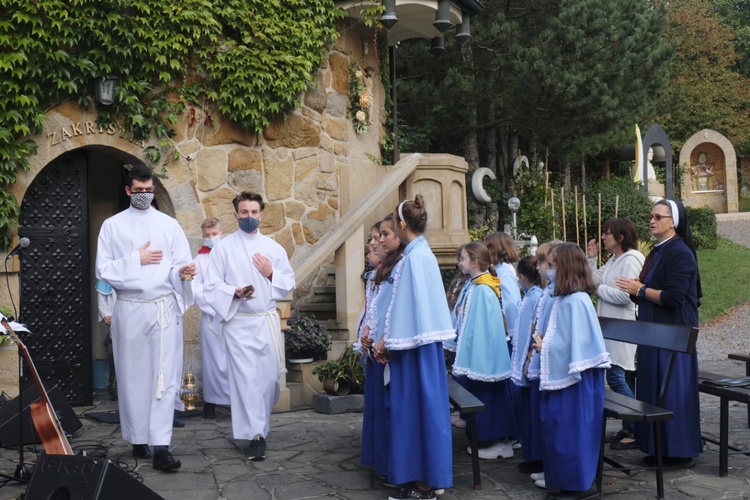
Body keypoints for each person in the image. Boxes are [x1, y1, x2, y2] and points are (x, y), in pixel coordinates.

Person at [96, 164, 196, 471]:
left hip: (163, 308)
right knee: (132, 376)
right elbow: (104, 271)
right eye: (138, 191)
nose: (144, 196)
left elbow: (180, 262)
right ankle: (139, 438)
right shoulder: (112, 226)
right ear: (128, 191)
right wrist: (135, 260)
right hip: (130, 309)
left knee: (163, 377)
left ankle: (161, 446)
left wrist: (182, 272)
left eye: (149, 191)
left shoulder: (168, 225)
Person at [203, 191, 296, 461]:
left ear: (261, 215)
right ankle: (255, 436)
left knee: (268, 381)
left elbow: (288, 283)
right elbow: (211, 286)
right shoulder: (223, 248)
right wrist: (235, 291)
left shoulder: (273, 248)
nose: (249, 217)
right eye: (244, 213)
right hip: (239, 323)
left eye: (254, 212)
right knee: (245, 380)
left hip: (265, 321)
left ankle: (259, 426)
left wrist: (269, 273)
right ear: (235, 215)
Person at [373, 195, 455, 500]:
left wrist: (388, 341)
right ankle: (416, 476)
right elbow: (403, 306)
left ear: (402, 225)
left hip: (415, 349)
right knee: (412, 415)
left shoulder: (416, 259)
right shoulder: (417, 255)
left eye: (393, 224)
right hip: (413, 346)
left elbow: (412, 310)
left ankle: (427, 483)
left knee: (421, 414)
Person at [616, 199, 702, 469]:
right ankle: (657, 446)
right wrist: (637, 290)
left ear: (673, 222)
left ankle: (678, 450)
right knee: (653, 391)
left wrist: (639, 290)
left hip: (673, 337)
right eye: (651, 216)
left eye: (659, 217)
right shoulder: (657, 251)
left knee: (672, 392)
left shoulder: (680, 252)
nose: (652, 221)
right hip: (654, 334)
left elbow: (675, 297)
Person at [533, 243, 610, 499]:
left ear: (565, 268)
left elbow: (575, 349)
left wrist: (545, 345)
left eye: (553, 265)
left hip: (577, 380)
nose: (548, 270)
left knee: (571, 431)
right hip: (565, 376)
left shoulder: (577, 301)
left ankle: (579, 485)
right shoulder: (565, 298)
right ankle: (566, 481)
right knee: (557, 428)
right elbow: (564, 338)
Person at [444, 242, 516, 460]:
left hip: (484, 358)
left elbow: (486, 329)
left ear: (475, 261)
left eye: (463, 258)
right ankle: (483, 438)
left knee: (487, 395)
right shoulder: (475, 285)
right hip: (476, 354)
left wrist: (478, 357)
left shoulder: (483, 289)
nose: (459, 262)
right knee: (478, 393)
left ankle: (496, 440)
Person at [586, 219, 644, 450]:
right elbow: (594, 280)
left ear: (620, 238)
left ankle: (636, 427)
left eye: (607, 234)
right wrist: (591, 258)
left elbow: (626, 296)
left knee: (617, 375)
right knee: (623, 374)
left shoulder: (632, 260)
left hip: (624, 326)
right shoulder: (614, 259)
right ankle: (629, 427)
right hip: (612, 328)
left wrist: (598, 290)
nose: (602, 237)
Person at [359, 215, 403, 482]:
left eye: (379, 237)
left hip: (388, 350)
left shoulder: (399, 269)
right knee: (377, 409)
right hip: (376, 347)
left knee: (388, 411)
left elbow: (395, 309)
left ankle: (389, 464)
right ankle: (379, 460)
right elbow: (373, 310)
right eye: (374, 239)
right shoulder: (380, 272)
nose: (375, 244)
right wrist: (366, 331)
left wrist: (381, 336)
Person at [509, 256, 544, 474]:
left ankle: (536, 457)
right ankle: (532, 455)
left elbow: (529, 333)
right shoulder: (533, 296)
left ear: (522, 277)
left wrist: (524, 360)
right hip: (526, 360)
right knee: (527, 413)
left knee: (532, 414)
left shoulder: (534, 298)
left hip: (531, 362)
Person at [193, 218, 230, 419]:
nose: (210, 238)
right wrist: (214, 303)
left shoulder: (231, 255)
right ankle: (211, 400)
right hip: (211, 316)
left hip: (231, 314)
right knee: (212, 359)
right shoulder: (199, 260)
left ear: (222, 233)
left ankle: (234, 400)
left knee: (232, 358)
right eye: (207, 235)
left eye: (214, 234)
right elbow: (195, 287)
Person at [483, 232, 522, 340]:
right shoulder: (500, 268)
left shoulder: (502, 270)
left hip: (507, 329)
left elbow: (510, 302)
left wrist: (511, 331)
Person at [96, 279, 117, 399]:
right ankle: (114, 384)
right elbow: (102, 295)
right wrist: (105, 313)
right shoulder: (107, 275)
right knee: (116, 352)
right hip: (115, 318)